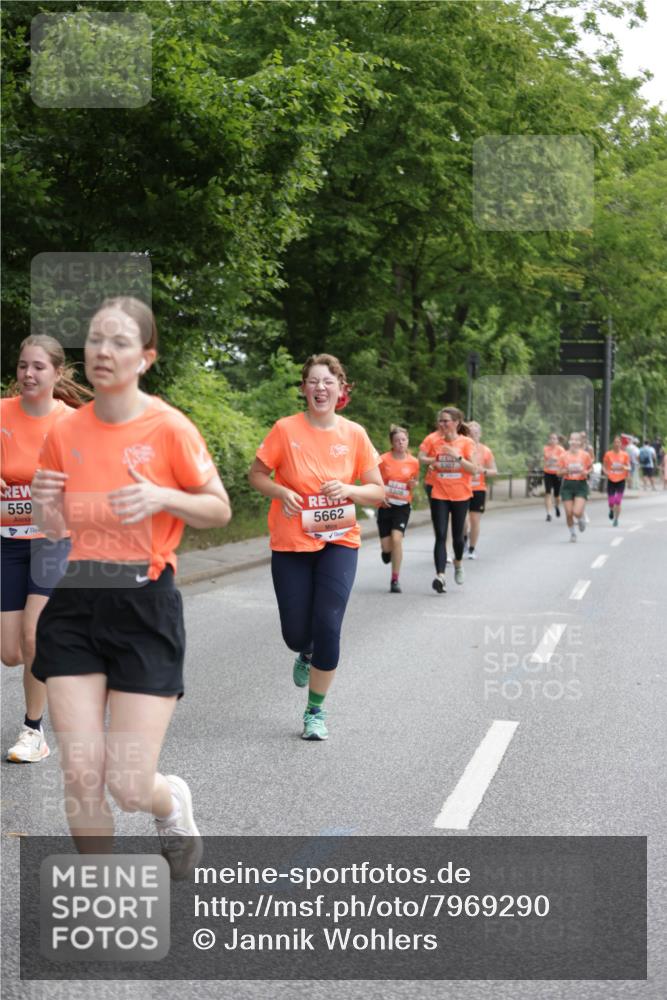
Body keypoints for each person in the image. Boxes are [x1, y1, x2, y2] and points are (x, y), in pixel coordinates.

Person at [30, 298, 231, 874]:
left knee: (128, 784)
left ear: (145, 357)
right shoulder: (64, 430)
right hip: (74, 599)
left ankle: (171, 805)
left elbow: (217, 508)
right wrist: (46, 508)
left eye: (119, 342)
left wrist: (162, 496)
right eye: (95, 339)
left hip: (145, 604)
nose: (102, 351)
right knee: (80, 773)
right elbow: (55, 528)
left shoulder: (168, 428)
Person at [248, 353, 383, 741]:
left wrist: (350, 489)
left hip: (339, 540)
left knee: (328, 625)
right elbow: (256, 475)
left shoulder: (354, 434)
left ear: (341, 389)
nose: (320, 388)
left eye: (328, 382)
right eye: (313, 382)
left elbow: (376, 491)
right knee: (296, 633)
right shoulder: (284, 429)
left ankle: (315, 711)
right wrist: (281, 490)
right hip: (291, 541)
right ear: (304, 388)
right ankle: (304, 653)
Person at [1, 336, 91, 763]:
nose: (28, 375)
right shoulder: (0, 413)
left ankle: (33, 732)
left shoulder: (74, 423)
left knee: (34, 636)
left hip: (55, 539)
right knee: (11, 652)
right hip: (9, 542)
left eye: (38, 367)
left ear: (57, 373)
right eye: (22, 366)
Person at [419, 407, 477, 592]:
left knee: (458, 538)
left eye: (446, 421)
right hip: (439, 493)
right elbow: (422, 458)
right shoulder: (434, 440)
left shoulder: (467, 442)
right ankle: (440, 576)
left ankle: (458, 564)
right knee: (441, 535)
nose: (442, 424)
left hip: (461, 494)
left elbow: (473, 469)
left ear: (456, 422)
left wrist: (456, 456)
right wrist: (433, 463)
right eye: (440, 421)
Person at [377, 425, 419, 592]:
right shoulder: (383, 459)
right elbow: (375, 482)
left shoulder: (414, 461)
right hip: (385, 505)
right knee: (387, 547)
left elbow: (414, 481)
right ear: (392, 443)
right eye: (397, 440)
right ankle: (386, 553)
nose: (401, 443)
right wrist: (381, 496)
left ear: (407, 441)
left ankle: (395, 579)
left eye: (403, 440)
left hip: (402, 506)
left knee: (397, 539)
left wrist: (413, 484)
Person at [465, 421, 497, 559]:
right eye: (470, 433)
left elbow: (494, 471)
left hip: (478, 488)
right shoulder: (461, 448)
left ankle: (472, 549)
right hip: (462, 488)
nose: (473, 435)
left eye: (476, 432)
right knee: (462, 522)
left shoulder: (485, 450)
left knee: (474, 520)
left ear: (480, 434)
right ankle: (464, 539)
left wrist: (482, 470)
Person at [558, 433, 592, 542]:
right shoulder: (564, 456)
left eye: (577, 440)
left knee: (576, 512)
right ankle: (573, 534)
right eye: (572, 439)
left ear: (580, 442)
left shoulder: (585, 455)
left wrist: (586, 471)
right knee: (568, 513)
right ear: (569, 442)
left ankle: (581, 517)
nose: (574, 442)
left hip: (581, 485)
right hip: (568, 484)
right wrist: (566, 471)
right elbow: (558, 473)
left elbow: (591, 468)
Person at [603, 436, 630, 527]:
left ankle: (616, 519)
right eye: (615, 442)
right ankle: (611, 510)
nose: (617, 444)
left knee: (618, 501)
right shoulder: (608, 454)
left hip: (621, 480)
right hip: (611, 479)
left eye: (618, 442)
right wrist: (606, 472)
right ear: (613, 444)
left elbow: (628, 467)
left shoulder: (625, 455)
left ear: (621, 444)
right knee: (611, 502)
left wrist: (624, 468)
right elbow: (604, 466)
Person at [542, 431, 564, 522]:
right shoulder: (545, 449)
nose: (552, 440)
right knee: (547, 493)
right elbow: (544, 462)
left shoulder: (561, 450)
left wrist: (556, 460)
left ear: (557, 440)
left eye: (554, 439)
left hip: (557, 473)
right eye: (551, 438)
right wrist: (548, 462)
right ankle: (548, 514)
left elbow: (564, 462)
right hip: (548, 473)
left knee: (557, 495)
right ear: (549, 440)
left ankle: (557, 506)